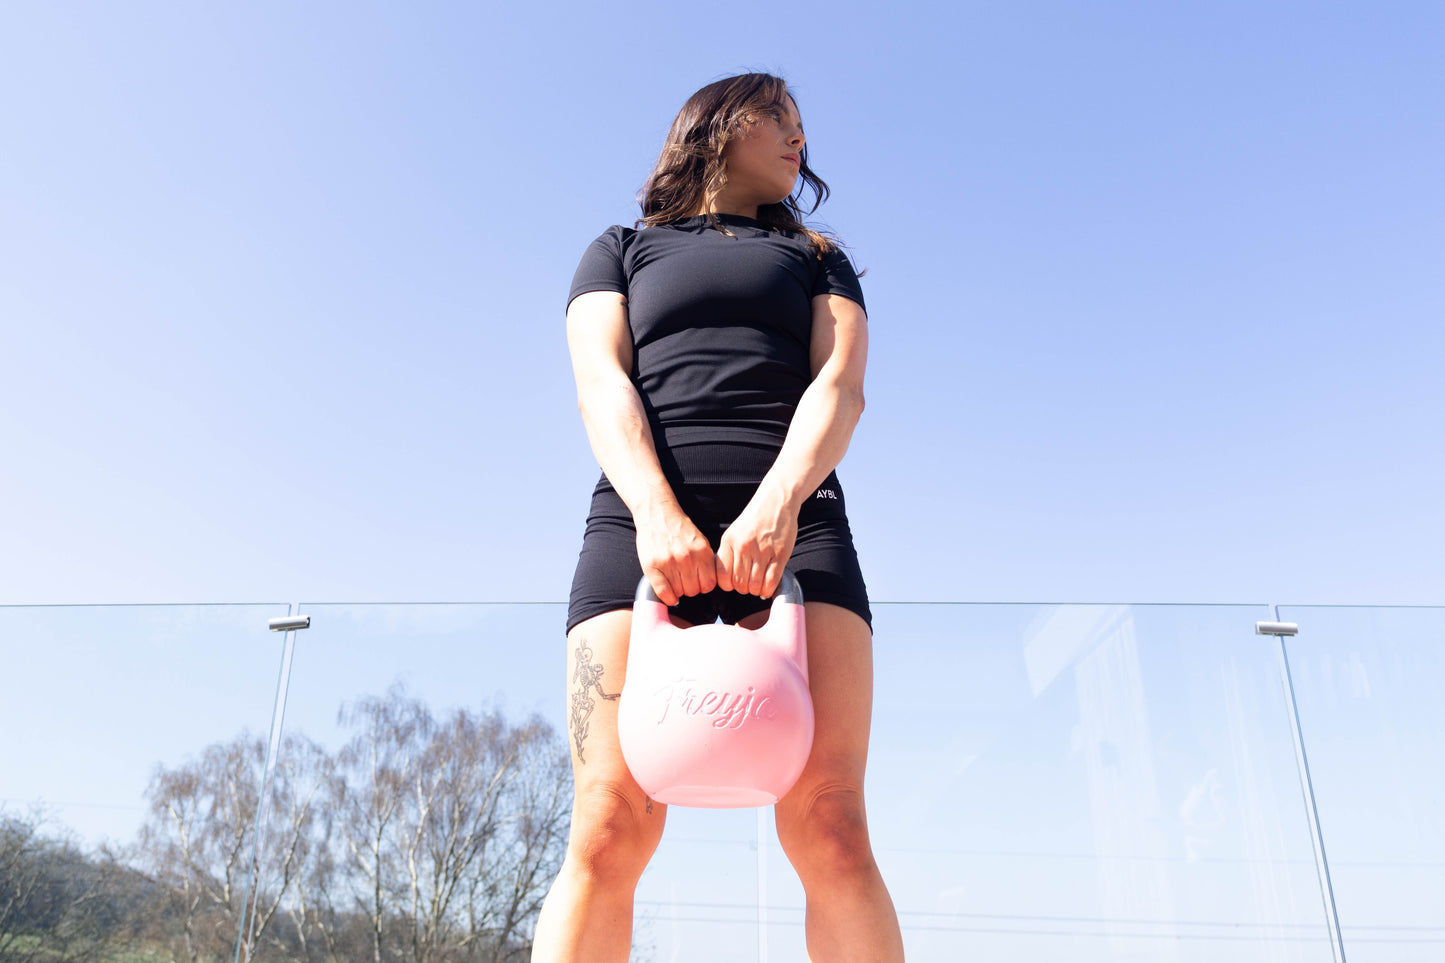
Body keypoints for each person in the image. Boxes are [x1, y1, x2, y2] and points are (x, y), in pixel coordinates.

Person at [531, 73, 904, 962]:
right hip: (635, 534)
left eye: (804, 128)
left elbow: (840, 387)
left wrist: (776, 508)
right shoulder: (619, 247)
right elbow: (600, 383)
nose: (798, 139)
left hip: (799, 534)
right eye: (781, 118)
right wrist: (656, 516)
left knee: (831, 826)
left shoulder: (816, 256)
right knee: (607, 826)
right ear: (719, 123)